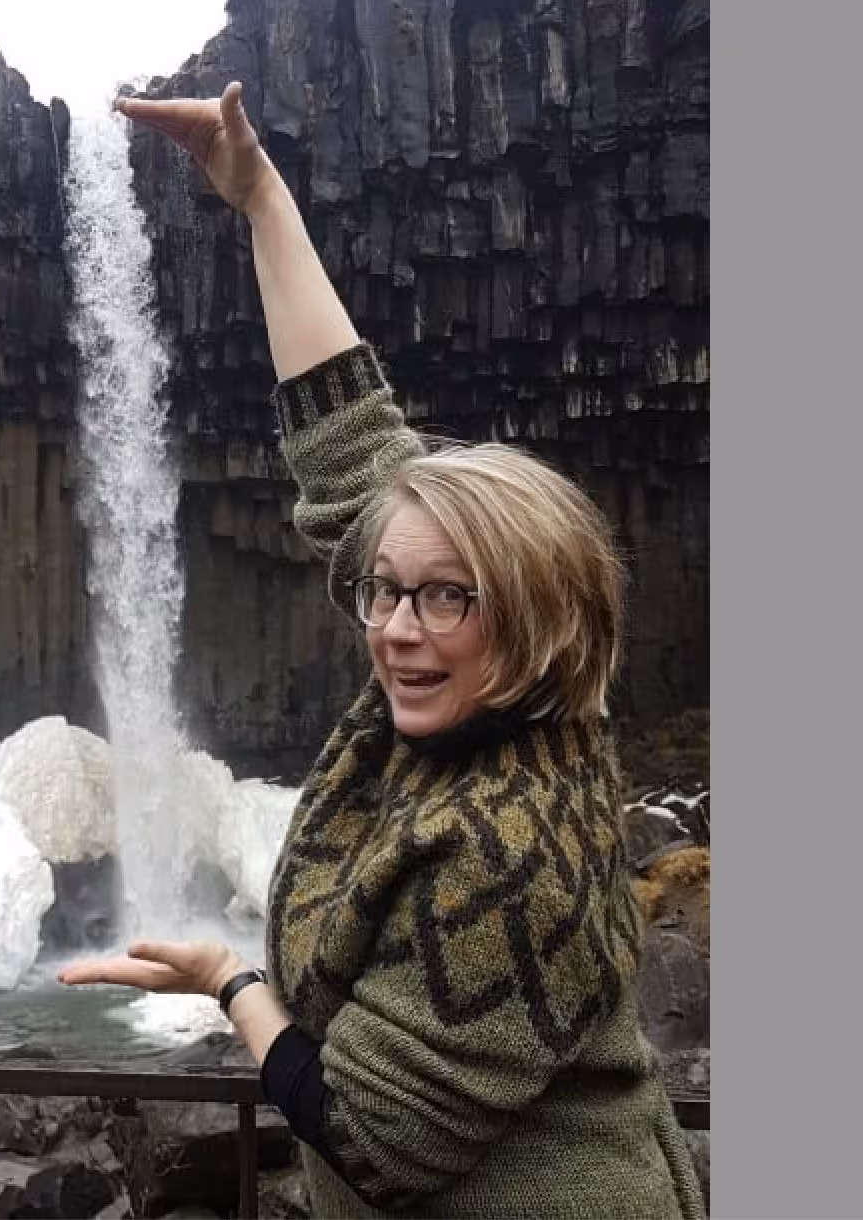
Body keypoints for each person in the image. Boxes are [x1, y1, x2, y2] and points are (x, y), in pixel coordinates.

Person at [60, 82, 706, 1219]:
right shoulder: (496, 705)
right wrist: (261, 198)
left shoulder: (510, 845)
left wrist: (231, 980)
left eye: (448, 596)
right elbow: (352, 449)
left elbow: (372, 1138)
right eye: (387, 590)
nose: (399, 626)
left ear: (541, 615)